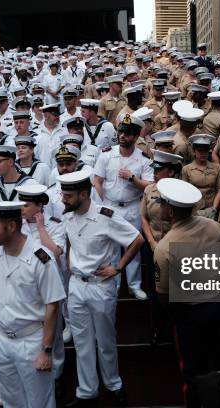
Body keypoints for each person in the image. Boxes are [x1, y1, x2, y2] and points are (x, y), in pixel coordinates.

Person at [59, 168, 144, 406]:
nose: (63, 199)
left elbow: (136, 239)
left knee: (105, 341)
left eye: (68, 195)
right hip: (76, 285)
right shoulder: (67, 215)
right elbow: (68, 242)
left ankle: (114, 384)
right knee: (81, 342)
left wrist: (118, 268)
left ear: (84, 194)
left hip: (101, 286)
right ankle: (87, 391)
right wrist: (70, 263)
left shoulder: (106, 215)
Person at [0, 201, 65, 407]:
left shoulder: (41, 259)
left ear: (10, 226)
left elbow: (52, 306)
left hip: (31, 341)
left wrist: (46, 349)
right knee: (10, 400)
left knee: (39, 402)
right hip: (1, 339)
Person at [152, 178, 220, 406]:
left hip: (189, 314)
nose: (159, 206)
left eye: (162, 203)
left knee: (192, 370)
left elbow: (163, 296)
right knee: (218, 362)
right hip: (219, 306)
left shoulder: (165, 247)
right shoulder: (213, 227)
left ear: (171, 211)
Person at [93, 113, 153, 300]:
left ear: (136, 137)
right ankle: (115, 284)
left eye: (127, 134)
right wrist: (102, 206)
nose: (122, 136)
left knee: (132, 247)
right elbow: (98, 181)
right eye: (121, 132)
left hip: (132, 206)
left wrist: (133, 179)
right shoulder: (106, 155)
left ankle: (134, 285)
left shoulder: (143, 159)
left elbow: (150, 186)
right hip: (110, 205)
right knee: (110, 246)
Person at [181, 134, 220, 217]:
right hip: (193, 210)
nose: (203, 153)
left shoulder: (217, 168)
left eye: (206, 151)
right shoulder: (186, 169)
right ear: (194, 151)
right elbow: (185, 192)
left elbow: (219, 190)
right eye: (200, 151)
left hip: (211, 208)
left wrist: (214, 209)